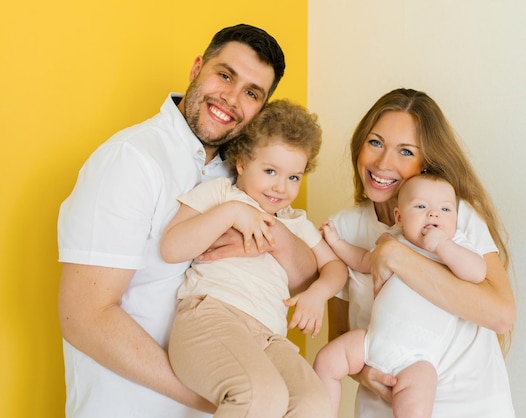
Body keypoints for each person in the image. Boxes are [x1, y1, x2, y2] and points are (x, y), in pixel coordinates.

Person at [57, 24, 318, 418]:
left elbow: (300, 280)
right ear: (197, 68)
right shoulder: (132, 160)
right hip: (129, 406)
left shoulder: (246, 174)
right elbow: (83, 317)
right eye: (225, 75)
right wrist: (232, 397)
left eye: (251, 93)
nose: (231, 98)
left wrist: (271, 233)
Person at [322, 88, 516, 417]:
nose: (383, 163)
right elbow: (339, 335)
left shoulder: (452, 216)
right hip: (381, 407)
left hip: (470, 405)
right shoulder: (343, 229)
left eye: (406, 151)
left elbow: (500, 315)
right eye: (375, 142)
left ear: (426, 164)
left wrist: (397, 257)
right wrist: (365, 374)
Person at [161, 99, 344, 417]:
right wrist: (232, 212)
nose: (281, 187)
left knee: (315, 404)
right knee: (261, 395)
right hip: (211, 317)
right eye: (270, 171)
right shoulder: (222, 194)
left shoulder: (294, 221)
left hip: (270, 335)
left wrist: (317, 294)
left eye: (294, 177)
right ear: (242, 162)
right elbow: (171, 247)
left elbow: (335, 267)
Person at [314, 173, 488, 418]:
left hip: (416, 359)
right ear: (399, 218)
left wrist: (442, 246)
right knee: (326, 362)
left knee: (414, 409)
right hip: (371, 341)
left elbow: (477, 272)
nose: (434, 214)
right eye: (421, 206)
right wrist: (336, 242)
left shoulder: (456, 244)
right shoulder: (394, 241)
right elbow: (364, 261)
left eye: (445, 209)